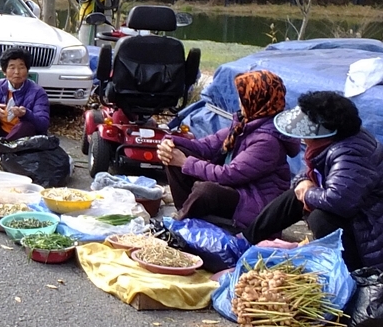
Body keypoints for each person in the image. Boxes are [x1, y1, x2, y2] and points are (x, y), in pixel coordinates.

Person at [244, 91, 383, 270]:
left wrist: (307, 192)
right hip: (353, 214)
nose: (302, 136)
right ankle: (247, 239)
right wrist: (304, 184)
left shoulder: (351, 154)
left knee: (320, 218)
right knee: (295, 195)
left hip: (366, 233)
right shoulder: (331, 145)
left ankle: (352, 270)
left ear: (325, 131)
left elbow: (341, 201)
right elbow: (309, 174)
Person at [157, 70, 298, 229]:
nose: (239, 101)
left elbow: (228, 175)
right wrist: (169, 142)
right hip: (236, 191)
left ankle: (181, 222)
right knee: (176, 152)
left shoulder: (267, 141)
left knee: (206, 190)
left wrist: (185, 162)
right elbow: (205, 146)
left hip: (255, 205)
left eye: (243, 97)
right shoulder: (244, 125)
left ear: (257, 100)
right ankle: (186, 214)